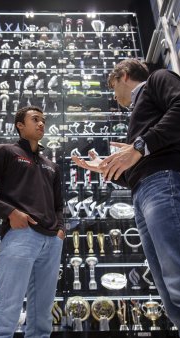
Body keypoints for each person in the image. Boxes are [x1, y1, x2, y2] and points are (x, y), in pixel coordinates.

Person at [72, 59, 180, 332]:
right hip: (145, 191)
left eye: (111, 86)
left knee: (177, 279)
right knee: (169, 295)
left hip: (164, 182)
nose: (113, 95)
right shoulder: (139, 115)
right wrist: (108, 168)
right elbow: (138, 166)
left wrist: (139, 146)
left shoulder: (158, 79)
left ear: (123, 75)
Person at [0, 106, 65, 338]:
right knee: (7, 311)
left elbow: (59, 205)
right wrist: (11, 213)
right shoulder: (6, 152)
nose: (41, 124)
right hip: (21, 236)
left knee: (42, 317)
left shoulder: (52, 166)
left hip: (52, 242)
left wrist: (61, 229)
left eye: (43, 120)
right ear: (20, 125)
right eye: (35, 119)